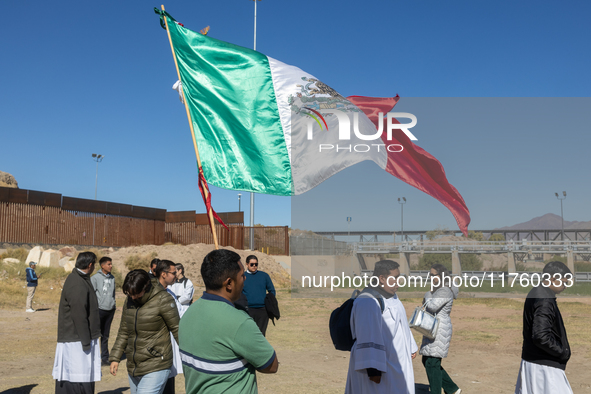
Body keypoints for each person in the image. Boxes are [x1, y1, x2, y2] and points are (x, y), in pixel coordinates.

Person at [179, 249, 278, 393]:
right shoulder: (239, 322)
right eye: (242, 275)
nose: (245, 279)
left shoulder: (188, 315)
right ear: (229, 283)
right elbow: (271, 365)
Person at [345, 260, 418, 394]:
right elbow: (367, 335)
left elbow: (401, 322)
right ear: (382, 279)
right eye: (395, 278)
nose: (398, 282)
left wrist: (410, 345)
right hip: (378, 370)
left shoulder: (392, 296)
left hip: (395, 364)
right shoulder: (368, 301)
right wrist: (373, 370)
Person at [109, 269, 180, 394]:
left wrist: (193, 359)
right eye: (129, 293)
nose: (132, 297)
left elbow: (177, 330)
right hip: (134, 367)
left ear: (146, 287)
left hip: (157, 363)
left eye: (136, 293)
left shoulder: (163, 299)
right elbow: (124, 331)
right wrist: (115, 357)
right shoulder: (130, 300)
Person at [515, 261, 573, 394]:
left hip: (536, 362)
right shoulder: (544, 299)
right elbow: (541, 336)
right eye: (564, 282)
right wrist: (562, 352)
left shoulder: (537, 292)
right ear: (553, 279)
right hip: (544, 368)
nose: (565, 286)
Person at [52, 251, 101, 394]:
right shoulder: (77, 283)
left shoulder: (80, 279)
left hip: (79, 337)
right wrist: (86, 342)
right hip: (76, 339)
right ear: (90, 265)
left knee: (80, 376)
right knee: (77, 376)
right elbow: (79, 315)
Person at [419, 264, 461, 394]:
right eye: (430, 274)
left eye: (433, 275)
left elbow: (432, 306)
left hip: (439, 329)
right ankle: (452, 389)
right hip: (432, 327)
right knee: (427, 360)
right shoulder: (438, 290)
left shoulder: (444, 290)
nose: (430, 277)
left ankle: (436, 391)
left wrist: (427, 294)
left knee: (432, 362)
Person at [154, 260, 183, 394]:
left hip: (170, 345)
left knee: (169, 383)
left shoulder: (170, 293)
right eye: (173, 273)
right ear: (164, 274)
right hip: (158, 348)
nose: (176, 275)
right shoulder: (153, 294)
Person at [90, 256, 117, 366]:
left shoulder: (112, 278)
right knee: (96, 335)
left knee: (106, 335)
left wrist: (113, 304)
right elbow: (91, 294)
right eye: (109, 264)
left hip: (110, 310)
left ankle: (105, 358)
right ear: (102, 265)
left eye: (111, 264)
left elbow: (113, 293)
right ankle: (93, 358)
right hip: (99, 310)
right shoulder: (95, 278)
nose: (111, 266)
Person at [242, 255, 276, 336]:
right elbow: (238, 292)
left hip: (263, 311)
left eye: (256, 264)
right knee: (248, 334)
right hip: (247, 310)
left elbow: (272, 290)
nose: (254, 266)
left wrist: (269, 302)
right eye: (252, 264)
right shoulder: (242, 277)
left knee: (261, 335)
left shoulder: (264, 276)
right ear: (246, 264)